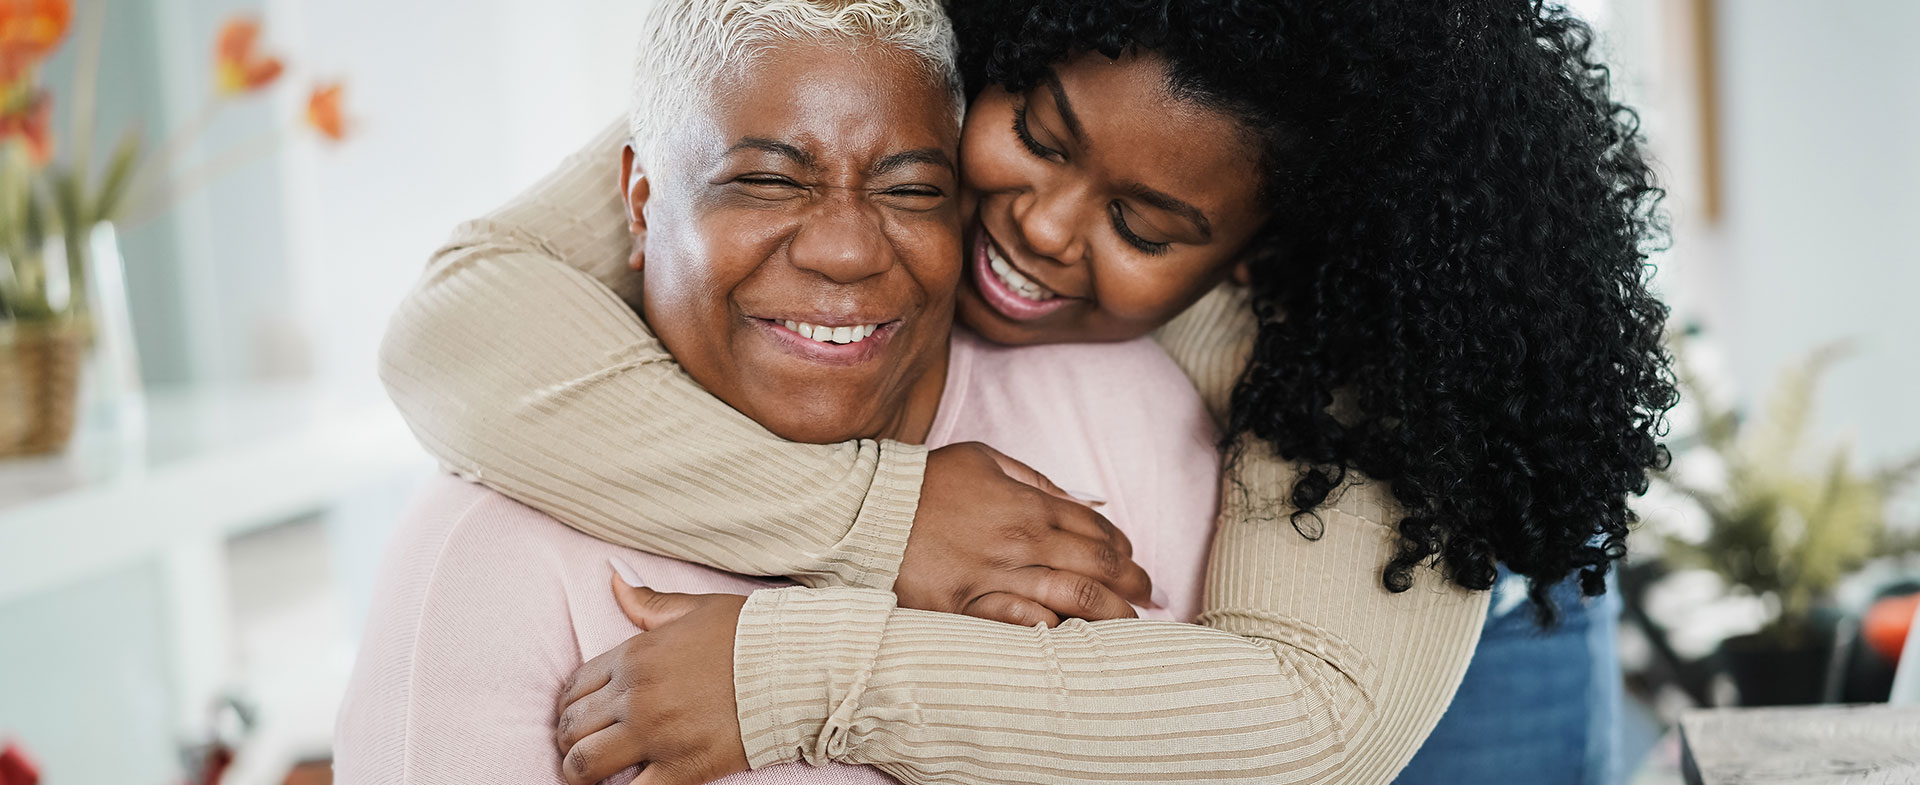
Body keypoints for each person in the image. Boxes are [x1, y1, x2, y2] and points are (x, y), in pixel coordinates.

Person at [380, 1, 1675, 783]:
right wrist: (881, 520)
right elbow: (458, 323)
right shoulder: (906, 42)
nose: (1042, 226)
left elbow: (1316, 727)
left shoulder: (1377, 324)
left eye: (1146, 221)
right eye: (1039, 135)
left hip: (1450, 631)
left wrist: (797, 669)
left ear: (1265, 250)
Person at [333, 3, 1223, 782]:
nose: (845, 249)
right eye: (764, 180)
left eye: (912, 189)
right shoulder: (486, 559)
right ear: (641, 204)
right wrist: (887, 522)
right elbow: (437, 330)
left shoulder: (1124, 413)